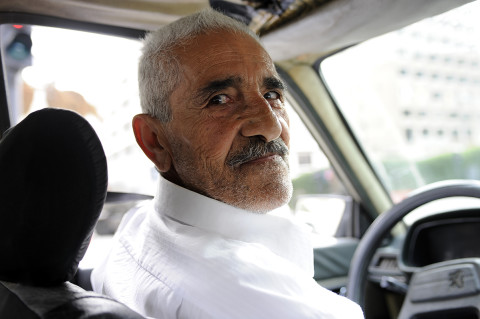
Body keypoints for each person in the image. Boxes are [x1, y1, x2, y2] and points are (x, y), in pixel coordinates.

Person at [91, 8, 364, 319]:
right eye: (220, 99)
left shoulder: (138, 227)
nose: (270, 126)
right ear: (155, 140)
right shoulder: (256, 303)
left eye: (272, 94)